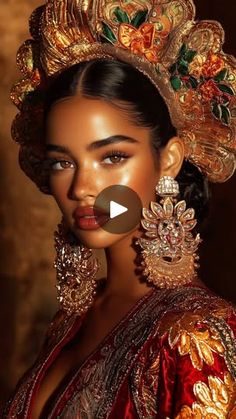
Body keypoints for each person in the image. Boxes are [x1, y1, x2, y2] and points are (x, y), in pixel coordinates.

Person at [5, 0, 236, 417]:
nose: (81, 187)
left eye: (111, 157)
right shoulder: (70, 321)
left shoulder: (194, 335)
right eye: (63, 161)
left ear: (168, 159)